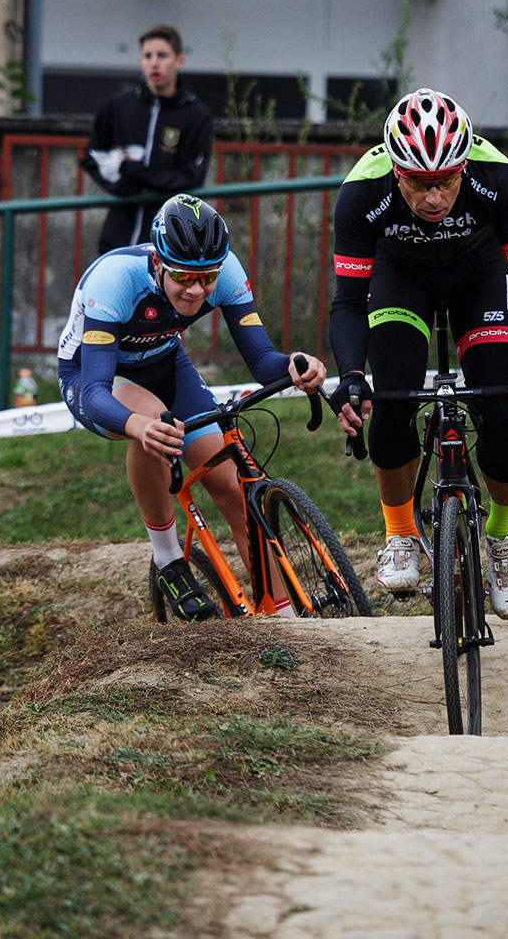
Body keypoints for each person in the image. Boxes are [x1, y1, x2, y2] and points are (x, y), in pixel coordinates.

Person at [328, 87, 508, 619]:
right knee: (388, 402)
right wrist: (351, 376)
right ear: (395, 170)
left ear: (463, 165)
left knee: (502, 409)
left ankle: (503, 538)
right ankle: (402, 533)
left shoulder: (496, 176)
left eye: (446, 182)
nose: (434, 199)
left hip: (480, 273)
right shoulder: (362, 189)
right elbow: (346, 301)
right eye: (419, 184)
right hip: (400, 277)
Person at [58, 193, 326, 621]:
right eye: (184, 277)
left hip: (166, 363)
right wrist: (137, 427)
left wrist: (296, 364)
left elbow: (261, 361)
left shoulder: (228, 271)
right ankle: (168, 559)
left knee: (236, 489)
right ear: (159, 263)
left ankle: (283, 621)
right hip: (94, 375)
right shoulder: (116, 280)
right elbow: (93, 391)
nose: (197, 290)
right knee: (155, 427)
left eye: (207, 278)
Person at [82, 23, 214, 255]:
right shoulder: (119, 106)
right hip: (117, 235)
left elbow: (193, 177)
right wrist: (117, 184)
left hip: (168, 240)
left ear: (179, 61)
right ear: (140, 61)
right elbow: (92, 156)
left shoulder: (196, 116)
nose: (154, 62)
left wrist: (141, 174)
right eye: (147, 56)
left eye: (162, 55)